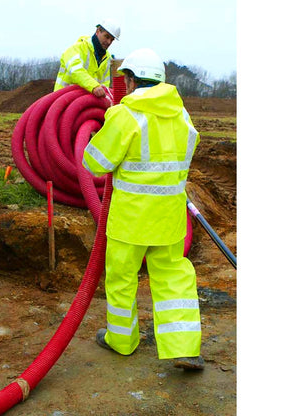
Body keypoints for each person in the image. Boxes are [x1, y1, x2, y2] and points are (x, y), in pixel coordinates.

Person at [82, 48, 204, 370]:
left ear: (132, 80)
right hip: (169, 218)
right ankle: (184, 348)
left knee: (122, 278)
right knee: (174, 277)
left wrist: (103, 132)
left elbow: (95, 164)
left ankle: (122, 341)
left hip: (130, 220)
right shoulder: (182, 116)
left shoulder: (126, 115)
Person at [54, 18, 120, 98]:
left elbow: (104, 85)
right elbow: (76, 72)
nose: (109, 42)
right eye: (106, 37)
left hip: (87, 105)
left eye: (112, 40)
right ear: (98, 31)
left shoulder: (107, 59)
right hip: (63, 101)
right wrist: (94, 86)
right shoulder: (76, 49)